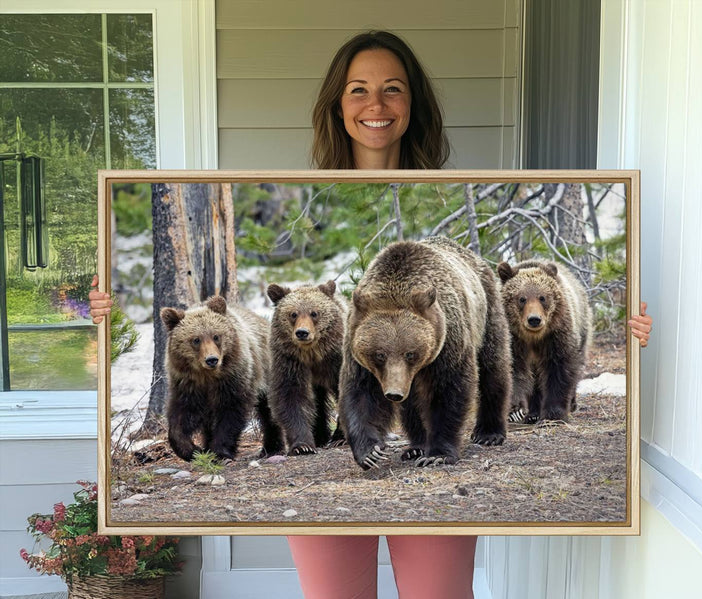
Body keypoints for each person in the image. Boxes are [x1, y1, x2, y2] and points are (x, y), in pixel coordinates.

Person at [89, 30, 653, 599]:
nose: (376, 105)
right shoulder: (311, 224)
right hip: (374, 364)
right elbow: (356, 387)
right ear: (337, 104)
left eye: (393, 89)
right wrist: (100, 312)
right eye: (358, 90)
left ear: (415, 104)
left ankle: (465, 435)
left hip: (449, 307)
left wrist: (636, 332)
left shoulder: (450, 286)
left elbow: (464, 378)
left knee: (465, 382)